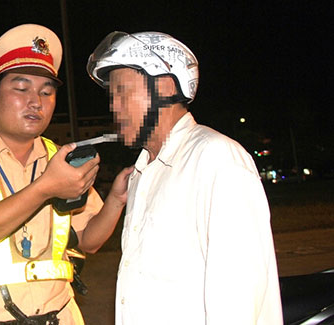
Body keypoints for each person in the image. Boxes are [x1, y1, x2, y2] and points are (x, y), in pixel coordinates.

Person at [0, 24, 128, 324]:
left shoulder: (61, 158)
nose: (36, 101)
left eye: (46, 92)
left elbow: (88, 240)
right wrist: (45, 188)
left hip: (59, 316)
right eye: (21, 89)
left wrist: (115, 199)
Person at [86, 31, 283, 324]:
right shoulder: (141, 174)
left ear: (165, 87)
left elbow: (238, 297)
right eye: (111, 96)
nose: (114, 106)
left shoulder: (216, 158)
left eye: (122, 91)